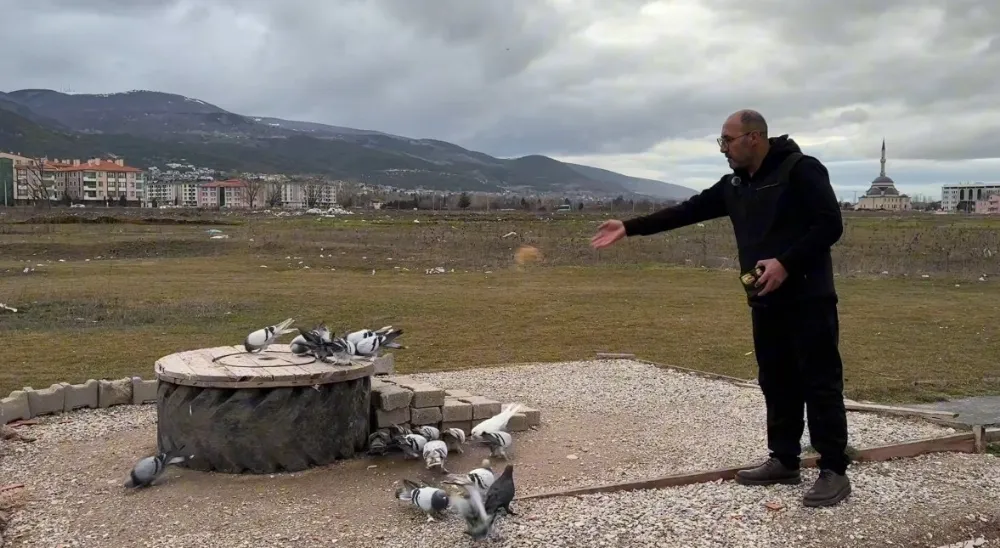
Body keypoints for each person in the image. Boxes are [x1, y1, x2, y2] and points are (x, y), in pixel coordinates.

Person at [590, 109, 851, 507]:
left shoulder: (801, 170)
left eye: (727, 140)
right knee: (776, 380)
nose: (723, 149)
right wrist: (629, 226)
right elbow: (688, 210)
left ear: (754, 138)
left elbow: (830, 225)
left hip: (809, 299)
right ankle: (784, 460)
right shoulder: (735, 184)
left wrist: (786, 262)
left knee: (819, 382)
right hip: (766, 300)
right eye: (721, 141)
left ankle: (834, 470)